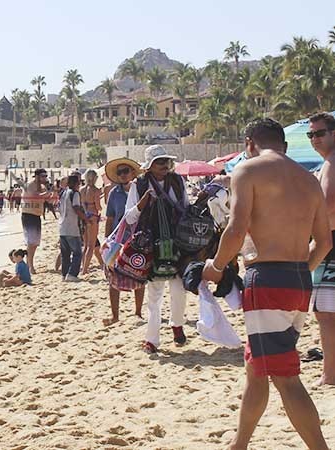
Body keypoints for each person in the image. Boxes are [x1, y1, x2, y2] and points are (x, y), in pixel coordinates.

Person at [202, 118, 331, 450]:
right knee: (257, 367)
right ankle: (239, 444)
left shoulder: (248, 170)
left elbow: (236, 229)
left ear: (249, 144)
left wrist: (216, 266)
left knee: (286, 377)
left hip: (268, 279)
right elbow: (324, 242)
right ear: (284, 145)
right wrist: (298, 272)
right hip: (299, 279)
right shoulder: (309, 179)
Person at [123, 145, 189, 352]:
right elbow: (129, 217)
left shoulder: (177, 181)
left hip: (177, 242)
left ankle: (177, 325)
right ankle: (152, 340)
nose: (164, 165)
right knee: (155, 295)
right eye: (159, 162)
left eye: (166, 161)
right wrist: (143, 202)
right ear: (149, 166)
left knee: (179, 289)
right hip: (150, 244)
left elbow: (186, 207)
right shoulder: (139, 185)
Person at [309, 112, 335, 386]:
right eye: (311, 134)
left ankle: (329, 375)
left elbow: (327, 206)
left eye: (319, 133)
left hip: (330, 242)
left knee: (326, 313)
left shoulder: (331, 162)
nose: (314, 139)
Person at [102, 158, 145, 326]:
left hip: (138, 239)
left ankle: (138, 312)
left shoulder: (141, 190)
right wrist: (106, 239)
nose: (122, 175)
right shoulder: (114, 193)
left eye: (125, 171)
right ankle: (115, 315)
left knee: (139, 274)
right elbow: (110, 217)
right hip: (118, 240)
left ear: (132, 172)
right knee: (113, 276)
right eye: (119, 172)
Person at [21, 169, 53, 274]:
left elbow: (46, 199)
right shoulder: (30, 185)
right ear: (37, 176)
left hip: (36, 215)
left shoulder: (42, 187)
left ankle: (29, 264)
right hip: (28, 215)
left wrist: (51, 193)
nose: (45, 178)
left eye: (46, 176)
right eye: (43, 176)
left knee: (34, 243)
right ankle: (30, 266)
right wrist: (48, 193)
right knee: (31, 242)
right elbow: (36, 196)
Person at [59, 175, 88, 282]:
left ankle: (65, 274)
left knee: (65, 254)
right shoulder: (75, 193)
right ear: (77, 183)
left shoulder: (63, 193)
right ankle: (72, 274)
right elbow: (76, 207)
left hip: (62, 227)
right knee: (77, 253)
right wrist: (85, 219)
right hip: (72, 227)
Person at [80, 169, 104, 275]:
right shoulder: (95, 190)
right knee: (91, 245)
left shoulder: (82, 189)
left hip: (84, 216)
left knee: (86, 245)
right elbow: (98, 206)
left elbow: (82, 204)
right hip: (93, 216)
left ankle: (83, 267)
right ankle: (85, 269)